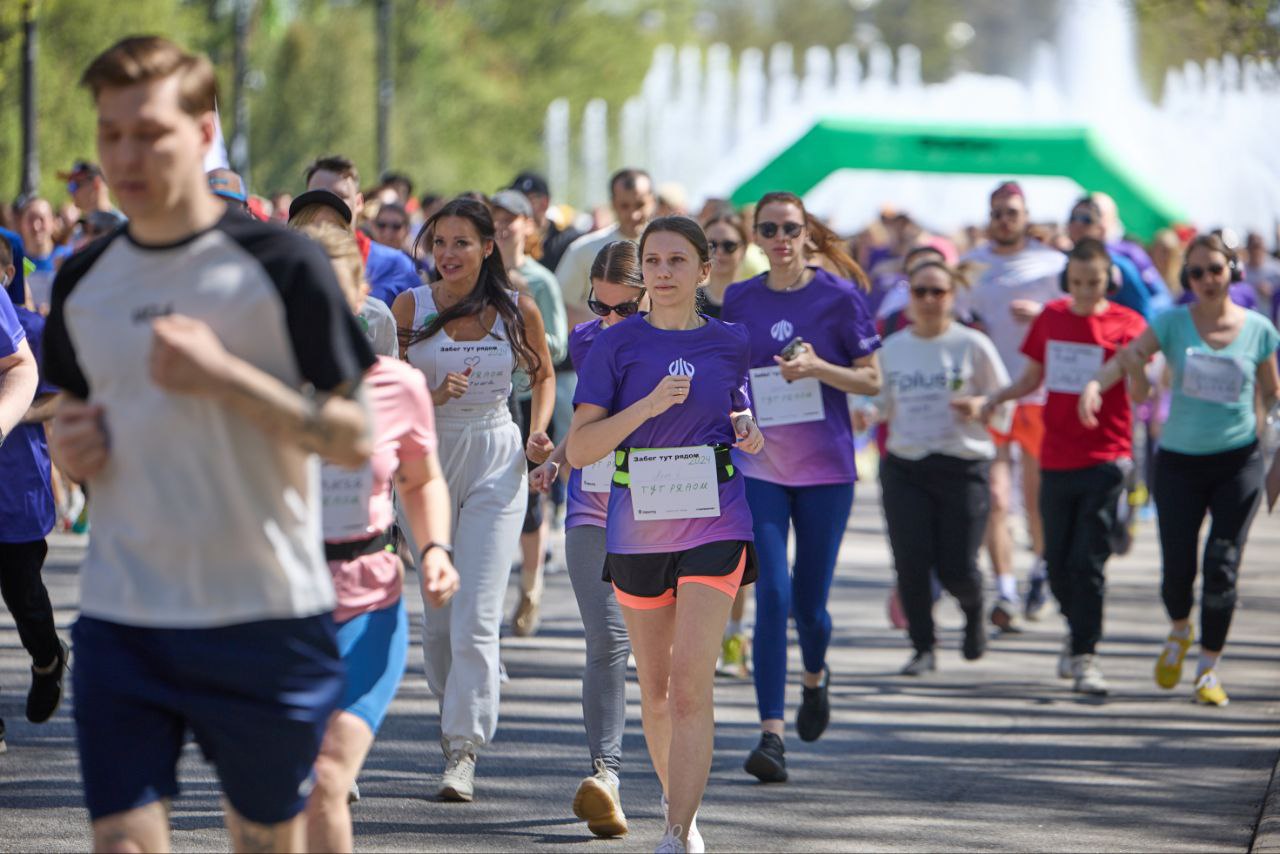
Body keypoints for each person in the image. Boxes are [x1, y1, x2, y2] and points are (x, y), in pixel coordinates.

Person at [42, 36, 376, 852]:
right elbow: (76, 430)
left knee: (263, 839)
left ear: (202, 133)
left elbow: (354, 435)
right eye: (111, 132)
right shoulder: (86, 280)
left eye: (148, 132)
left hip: (260, 611)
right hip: (127, 611)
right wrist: (73, 452)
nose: (125, 153)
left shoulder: (282, 264)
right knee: (120, 840)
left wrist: (227, 378)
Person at [568, 215, 764, 853]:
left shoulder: (732, 340)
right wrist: (648, 406)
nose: (663, 272)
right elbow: (580, 447)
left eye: (678, 261)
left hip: (717, 519)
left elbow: (738, 406)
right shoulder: (614, 347)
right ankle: (681, 805)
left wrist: (748, 428)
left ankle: (677, 833)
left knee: (688, 684)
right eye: (653, 261)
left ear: (704, 271)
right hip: (637, 528)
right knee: (653, 689)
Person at [293, 222, 459, 852]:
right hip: (276, 608)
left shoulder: (399, 385)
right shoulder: (253, 387)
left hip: (367, 599)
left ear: (360, 290)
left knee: (328, 776)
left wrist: (436, 549)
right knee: (282, 787)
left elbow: (421, 480)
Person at [392, 197, 555, 801]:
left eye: (461, 242)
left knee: (477, 614)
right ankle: (459, 702)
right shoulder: (410, 306)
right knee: (439, 622)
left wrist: (540, 431)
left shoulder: (518, 308)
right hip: (428, 460)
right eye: (438, 243)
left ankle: (463, 749)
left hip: (495, 454)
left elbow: (541, 374)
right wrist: (431, 394)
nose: (447, 254)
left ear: (488, 247)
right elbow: (391, 384)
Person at [721, 192, 881, 783]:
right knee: (774, 598)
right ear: (757, 237)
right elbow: (730, 375)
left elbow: (870, 381)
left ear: (807, 234)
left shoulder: (839, 297)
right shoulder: (740, 297)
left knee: (810, 608)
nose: (780, 237)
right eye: (769, 229)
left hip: (825, 472)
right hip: (761, 467)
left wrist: (818, 369)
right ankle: (771, 736)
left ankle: (815, 678)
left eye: (791, 228)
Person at [1080, 233, 1279, 706]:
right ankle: (1178, 631)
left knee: (1222, 565)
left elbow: (1272, 393)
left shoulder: (1258, 329)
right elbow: (1130, 358)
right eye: (1195, 273)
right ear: (1185, 279)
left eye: (1215, 269)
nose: (1206, 280)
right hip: (1179, 462)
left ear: (1232, 270)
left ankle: (1208, 668)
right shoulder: (1171, 323)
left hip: (1238, 461)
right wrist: (1095, 384)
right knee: (1178, 569)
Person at [983, 239, 1148, 695]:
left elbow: (1143, 395)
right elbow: (1032, 378)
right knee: (1056, 562)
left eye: (1094, 283)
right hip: (1055, 455)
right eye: (1076, 283)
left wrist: (1133, 368)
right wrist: (997, 396)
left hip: (1106, 458)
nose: (1085, 292)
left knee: (1088, 561)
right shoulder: (1052, 318)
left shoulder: (1129, 324)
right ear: (1065, 280)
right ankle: (1077, 635)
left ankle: (1085, 655)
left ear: (1108, 279)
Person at [527, 240, 648, 838]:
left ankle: (683, 797)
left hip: (666, 513)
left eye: (623, 309)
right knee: (606, 639)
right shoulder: (587, 340)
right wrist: (560, 464)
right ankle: (606, 776)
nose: (608, 321)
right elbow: (586, 422)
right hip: (593, 508)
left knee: (666, 662)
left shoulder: (692, 342)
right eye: (599, 306)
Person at [871, 260, 1008, 676]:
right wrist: (864, 414)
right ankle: (923, 645)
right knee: (910, 561)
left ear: (954, 297)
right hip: (906, 466)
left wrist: (981, 407)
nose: (929, 301)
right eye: (920, 292)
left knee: (957, 568)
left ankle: (973, 607)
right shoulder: (892, 349)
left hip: (962, 465)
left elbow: (1003, 401)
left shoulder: (973, 345)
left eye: (938, 292)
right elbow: (877, 404)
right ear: (908, 297)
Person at [958, 181, 1065, 628]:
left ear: (1026, 216)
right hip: (992, 393)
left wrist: (1044, 316)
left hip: (1039, 392)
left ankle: (1040, 570)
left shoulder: (1054, 263)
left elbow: (1080, 312)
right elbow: (954, 317)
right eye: (998, 212)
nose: (1005, 220)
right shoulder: (971, 266)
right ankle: (1003, 589)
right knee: (996, 498)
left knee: (1037, 500)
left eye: (1012, 212)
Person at [492, 189, 568, 637]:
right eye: (495, 218)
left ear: (528, 225)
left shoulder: (541, 281)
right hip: (486, 397)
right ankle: (496, 584)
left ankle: (531, 586)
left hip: (529, 397)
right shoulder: (479, 276)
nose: (503, 226)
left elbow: (558, 343)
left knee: (531, 496)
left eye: (511, 218)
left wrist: (525, 348)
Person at [0, 234, 55, 755]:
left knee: (26, 601)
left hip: (19, 490)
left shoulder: (34, 328)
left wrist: (12, 416)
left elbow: (61, 397)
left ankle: (47, 658)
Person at [289, 191, 399, 358]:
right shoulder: (269, 309)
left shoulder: (378, 316)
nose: (321, 236)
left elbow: (391, 379)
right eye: (308, 228)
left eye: (333, 228)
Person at [305, 154, 420, 307]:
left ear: (359, 203)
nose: (328, 204)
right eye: (318, 196)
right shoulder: (291, 260)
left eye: (340, 196)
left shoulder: (397, 266)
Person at [556, 169, 656, 326]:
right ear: (613, 204)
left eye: (640, 205)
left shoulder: (668, 249)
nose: (633, 214)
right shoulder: (583, 249)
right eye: (625, 206)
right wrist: (604, 328)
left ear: (653, 201)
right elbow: (559, 304)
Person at [511, 171, 580, 273]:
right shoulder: (509, 238)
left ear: (545, 203)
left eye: (527, 200)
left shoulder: (567, 240)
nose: (519, 207)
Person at [17, 196, 73, 313]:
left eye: (42, 219)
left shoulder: (68, 258)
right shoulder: (13, 261)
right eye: (30, 219)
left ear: (53, 222)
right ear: (21, 223)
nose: (36, 226)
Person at [697, 211, 747, 320]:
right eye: (711, 245)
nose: (719, 252)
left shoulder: (756, 300)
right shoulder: (688, 301)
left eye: (729, 245)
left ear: (744, 249)